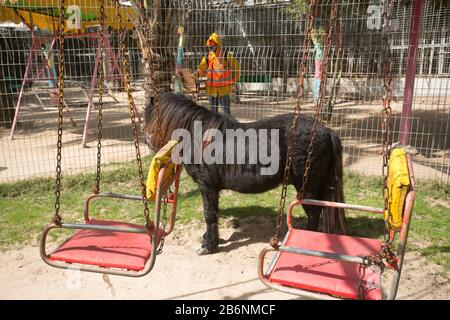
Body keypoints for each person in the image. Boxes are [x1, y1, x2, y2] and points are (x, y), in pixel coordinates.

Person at [196, 32, 240, 115]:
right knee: (213, 111)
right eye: (208, 47)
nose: (210, 49)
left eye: (212, 47)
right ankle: (214, 126)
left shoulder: (226, 55)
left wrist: (235, 78)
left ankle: (228, 126)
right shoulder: (207, 57)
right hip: (211, 88)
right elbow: (201, 68)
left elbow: (236, 66)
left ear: (217, 45)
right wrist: (197, 75)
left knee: (226, 111)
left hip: (223, 88)